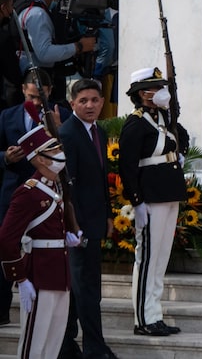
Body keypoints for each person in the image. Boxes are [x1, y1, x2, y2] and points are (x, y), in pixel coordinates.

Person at [0, 124, 82, 358]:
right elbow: (6, 238)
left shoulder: (55, 186)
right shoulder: (28, 193)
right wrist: (20, 277)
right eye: (53, 149)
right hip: (38, 274)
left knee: (53, 340)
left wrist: (67, 233)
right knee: (34, 343)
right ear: (40, 158)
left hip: (59, 272)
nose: (59, 153)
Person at [119, 67, 189, 336]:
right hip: (151, 196)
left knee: (160, 259)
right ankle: (143, 320)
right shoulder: (135, 123)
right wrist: (136, 201)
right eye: (155, 88)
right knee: (147, 259)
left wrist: (180, 153)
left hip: (170, 192)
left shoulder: (164, 117)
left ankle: (155, 314)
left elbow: (181, 135)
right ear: (141, 93)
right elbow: (127, 165)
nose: (161, 92)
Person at [0, 69, 69, 325]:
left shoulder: (60, 115)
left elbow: (67, 153)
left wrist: (59, 130)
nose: (36, 102)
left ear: (49, 92)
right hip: (15, 192)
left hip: (49, 196)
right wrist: (5, 157)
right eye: (31, 97)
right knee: (7, 244)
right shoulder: (7, 116)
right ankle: (2, 309)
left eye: (40, 96)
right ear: (22, 90)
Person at [59, 79, 118, 359]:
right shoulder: (68, 133)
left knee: (83, 287)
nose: (90, 105)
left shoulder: (99, 131)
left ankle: (67, 345)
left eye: (95, 100)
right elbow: (67, 187)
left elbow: (100, 180)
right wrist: (76, 225)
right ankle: (94, 348)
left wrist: (108, 215)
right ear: (72, 104)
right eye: (83, 101)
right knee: (86, 289)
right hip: (78, 225)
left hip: (96, 220)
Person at [15, 0, 96, 103]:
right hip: (35, 80)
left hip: (28, 77)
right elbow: (45, 53)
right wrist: (79, 47)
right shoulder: (37, 14)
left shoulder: (22, 5)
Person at [0, 0, 23, 109]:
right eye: (10, 6)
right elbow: (12, 77)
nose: (11, 10)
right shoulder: (4, 38)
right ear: (3, 8)